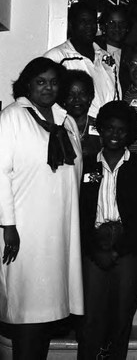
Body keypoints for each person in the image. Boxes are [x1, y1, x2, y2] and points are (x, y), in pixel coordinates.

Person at [0, 57, 83, 360]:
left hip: (58, 231)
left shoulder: (65, 120)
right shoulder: (12, 117)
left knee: (48, 314)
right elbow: (0, 173)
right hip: (25, 230)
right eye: (40, 81)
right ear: (27, 84)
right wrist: (8, 226)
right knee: (27, 312)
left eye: (53, 82)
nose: (48, 87)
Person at [77, 101, 137, 360]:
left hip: (128, 250)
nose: (114, 134)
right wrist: (96, 249)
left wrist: (117, 250)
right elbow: (78, 214)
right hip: (93, 251)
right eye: (109, 128)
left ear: (130, 133)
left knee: (122, 318)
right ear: (100, 129)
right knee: (91, 320)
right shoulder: (86, 166)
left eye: (121, 130)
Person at [44, 2, 120, 118]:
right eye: (83, 21)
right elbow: (45, 99)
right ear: (71, 25)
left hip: (106, 131)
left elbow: (117, 96)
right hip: (73, 130)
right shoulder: (56, 57)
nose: (89, 26)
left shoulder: (106, 58)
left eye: (92, 21)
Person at [63, 69, 101, 160]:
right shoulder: (57, 128)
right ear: (63, 99)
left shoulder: (101, 127)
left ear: (90, 97)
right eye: (70, 95)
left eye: (82, 94)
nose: (77, 99)